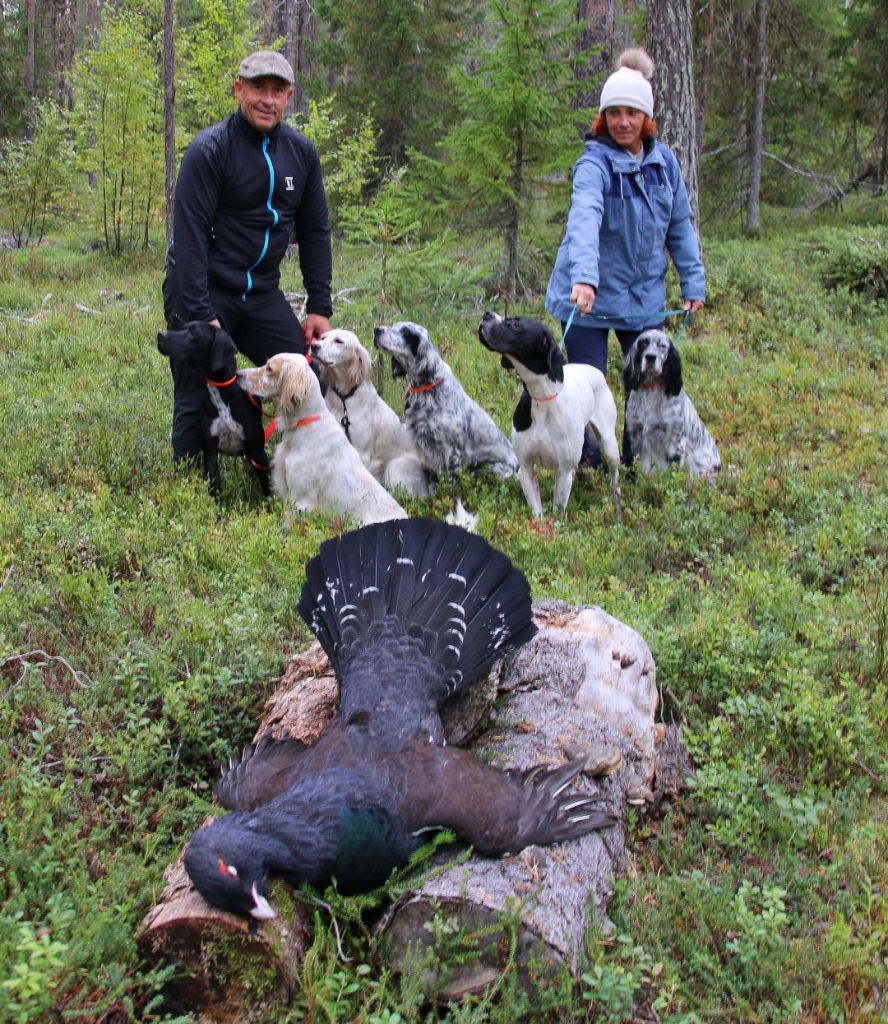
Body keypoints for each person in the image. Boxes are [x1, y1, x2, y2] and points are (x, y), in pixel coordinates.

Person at [162, 50, 333, 467]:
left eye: (277, 91)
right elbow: (188, 241)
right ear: (239, 88)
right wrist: (203, 314)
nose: (267, 99)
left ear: (289, 96)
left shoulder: (301, 154)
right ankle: (189, 489)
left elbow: (314, 231)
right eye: (258, 88)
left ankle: (303, 467)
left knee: (307, 377)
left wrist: (319, 307)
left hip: (260, 295)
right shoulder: (210, 151)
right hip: (202, 289)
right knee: (195, 389)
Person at [545, 47, 705, 465]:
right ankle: (589, 467)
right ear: (603, 116)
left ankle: (636, 465)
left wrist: (693, 282)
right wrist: (584, 278)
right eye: (613, 112)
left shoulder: (664, 164)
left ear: (646, 118)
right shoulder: (593, 163)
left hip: (641, 298)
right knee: (584, 388)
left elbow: (680, 225)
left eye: (631, 113)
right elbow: (584, 218)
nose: (622, 122)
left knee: (645, 384)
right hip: (587, 297)